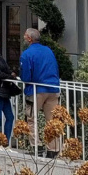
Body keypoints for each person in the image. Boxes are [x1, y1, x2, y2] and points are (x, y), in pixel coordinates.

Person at [18, 27, 62, 156]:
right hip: (53, 89)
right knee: (52, 121)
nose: (24, 37)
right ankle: (53, 149)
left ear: (29, 39)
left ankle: (36, 146)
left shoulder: (27, 54)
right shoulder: (48, 51)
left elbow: (26, 77)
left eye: (25, 35)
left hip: (36, 90)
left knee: (31, 118)